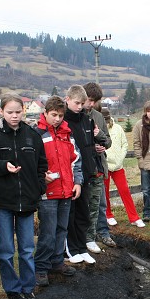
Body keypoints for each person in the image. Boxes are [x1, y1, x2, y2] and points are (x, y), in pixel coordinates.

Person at [0, 93, 47, 299]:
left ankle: (27, 287)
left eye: (18, 112)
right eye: (10, 112)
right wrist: (2, 166)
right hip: (3, 202)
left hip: (27, 201)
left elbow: (41, 165)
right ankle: (12, 290)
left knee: (26, 248)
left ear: (23, 111)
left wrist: (39, 188)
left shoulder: (32, 135)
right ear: (1, 112)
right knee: (5, 250)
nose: (14, 116)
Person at [33, 96, 83, 287]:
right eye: (54, 115)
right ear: (45, 113)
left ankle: (56, 261)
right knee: (47, 231)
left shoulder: (67, 134)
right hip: (47, 192)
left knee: (62, 228)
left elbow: (76, 160)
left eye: (60, 115)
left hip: (66, 190)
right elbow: (31, 162)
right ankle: (41, 267)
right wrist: (40, 176)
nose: (57, 119)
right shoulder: (37, 134)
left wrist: (77, 182)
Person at [63, 85, 97, 265]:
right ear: (67, 99)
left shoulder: (86, 120)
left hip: (86, 175)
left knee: (84, 213)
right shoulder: (63, 122)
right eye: (77, 103)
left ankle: (82, 247)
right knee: (71, 214)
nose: (79, 106)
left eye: (82, 103)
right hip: (70, 177)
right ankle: (71, 249)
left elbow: (89, 147)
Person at [83, 83, 114, 253]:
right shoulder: (74, 116)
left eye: (95, 101)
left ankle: (103, 233)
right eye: (89, 100)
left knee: (101, 203)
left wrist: (101, 141)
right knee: (86, 205)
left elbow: (108, 141)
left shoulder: (98, 116)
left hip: (99, 166)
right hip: (83, 168)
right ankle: (86, 237)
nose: (92, 104)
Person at [102, 108, 146, 228]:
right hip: (104, 165)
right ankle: (108, 215)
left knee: (124, 190)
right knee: (104, 193)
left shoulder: (117, 128)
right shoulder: (98, 129)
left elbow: (124, 145)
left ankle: (134, 217)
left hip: (118, 166)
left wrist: (120, 159)